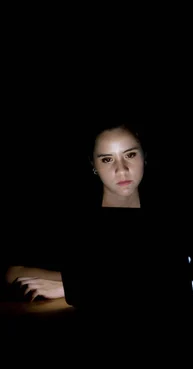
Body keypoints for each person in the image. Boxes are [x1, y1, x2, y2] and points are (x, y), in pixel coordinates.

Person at [2, 121, 148, 301]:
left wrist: (77, 286)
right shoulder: (73, 222)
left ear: (144, 155)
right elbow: (14, 273)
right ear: (93, 164)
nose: (122, 170)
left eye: (130, 155)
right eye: (107, 159)